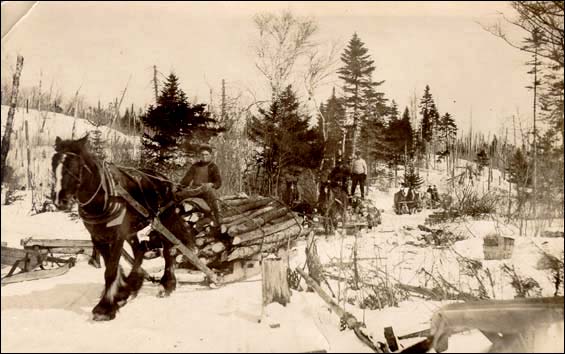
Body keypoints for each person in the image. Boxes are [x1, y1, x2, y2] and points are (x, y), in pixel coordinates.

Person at [175, 145, 222, 227]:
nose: (204, 156)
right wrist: (178, 187)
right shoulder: (195, 166)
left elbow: (218, 183)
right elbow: (186, 180)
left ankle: (218, 219)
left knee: (213, 196)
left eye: (206, 154)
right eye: (202, 155)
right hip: (195, 190)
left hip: (206, 191)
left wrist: (211, 184)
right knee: (177, 195)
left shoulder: (213, 167)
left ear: (210, 155)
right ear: (200, 155)